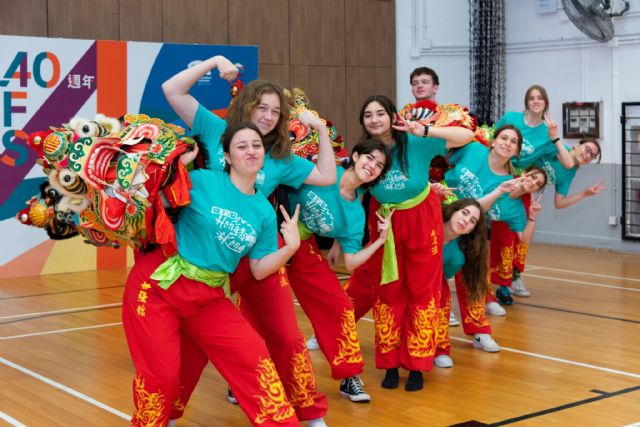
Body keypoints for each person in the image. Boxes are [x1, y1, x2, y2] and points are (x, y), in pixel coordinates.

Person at [162, 55, 332, 426]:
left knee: (287, 335)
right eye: (262, 106)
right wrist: (213, 61)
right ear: (246, 104)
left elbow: (326, 176)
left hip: (256, 251)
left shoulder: (282, 157)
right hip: (206, 255)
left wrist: (318, 130)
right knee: (195, 343)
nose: (269, 115)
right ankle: (171, 414)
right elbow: (172, 90)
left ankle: (309, 411)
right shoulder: (213, 128)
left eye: (276, 111)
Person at [122, 123, 300, 427]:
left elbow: (258, 270)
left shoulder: (264, 211)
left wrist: (291, 247)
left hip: (208, 297)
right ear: (227, 156)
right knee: (161, 376)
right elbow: (147, 202)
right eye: (241, 146)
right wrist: (177, 169)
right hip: (158, 287)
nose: (251, 151)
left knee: (253, 355)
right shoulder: (202, 181)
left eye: (256, 145)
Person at [338, 94, 473, 392]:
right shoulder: (364, 152)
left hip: (422, 218)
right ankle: (388, 363)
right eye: (368, 115)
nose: (374, 119)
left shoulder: (415, 141)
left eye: (380, 113)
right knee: (387, 290)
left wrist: (425, 130)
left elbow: (467, 135)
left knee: (422, 291)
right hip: (384, 221)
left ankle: (417, 365)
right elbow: (346, 190)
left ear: (392, 115)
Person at [287, 139, 392, 402]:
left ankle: (348, 377)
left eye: (379, 165)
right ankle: (246, 379)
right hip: (269, 236)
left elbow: (352, 262)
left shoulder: (356, 213)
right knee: (258, 312)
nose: (372, 166)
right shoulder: (326, 170)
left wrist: (379, 240)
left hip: (302, 247)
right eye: (369, 158)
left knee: (341, 306)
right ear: (355, 156)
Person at [434, 197, 488, 368]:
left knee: (442, 299)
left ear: (471, 230)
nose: (465, 221)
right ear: (453, 210)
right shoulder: (431, 221)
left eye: (472, 221)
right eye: (464, 213)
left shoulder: (458, 256)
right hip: (399, 268)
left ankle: (439, 349)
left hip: (429, 278)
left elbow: (441, 276)